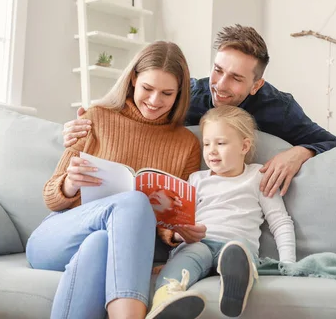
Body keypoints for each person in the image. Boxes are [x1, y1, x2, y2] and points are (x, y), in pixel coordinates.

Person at [26, 42, 205, 319]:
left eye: (167, 93)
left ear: (179, 93)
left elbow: (171, 217)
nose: (155, 100)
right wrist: (70, 183)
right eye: (148, 88)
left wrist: (177, 232)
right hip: (57, 238)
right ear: (133, 79)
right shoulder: (96, 117)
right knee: (133, 201)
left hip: (106, 243)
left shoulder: (186, 144)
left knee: (99, 243)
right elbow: (50, 196)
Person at [64, 25, 336, 198]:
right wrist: (82, 125)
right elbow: (136, 107)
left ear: (257, 85)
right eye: (218, 70)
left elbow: (334, 144)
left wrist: (299, 152)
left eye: (236, 78)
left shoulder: (279, 108)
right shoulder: (190, 93)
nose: (220, 86)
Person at [147, 105, 296, 319]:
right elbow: (180, 224)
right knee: (187, 258)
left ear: (244, 146)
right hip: (199, 242)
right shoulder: (196, 180)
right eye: (206, 144)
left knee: (237, 252)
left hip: (236, 245)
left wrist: (288, 263)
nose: (211, 151)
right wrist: (181, 234)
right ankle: (166, 301)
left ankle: (234, 289)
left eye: (221, 143)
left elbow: (280, 222)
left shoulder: (258, 176)